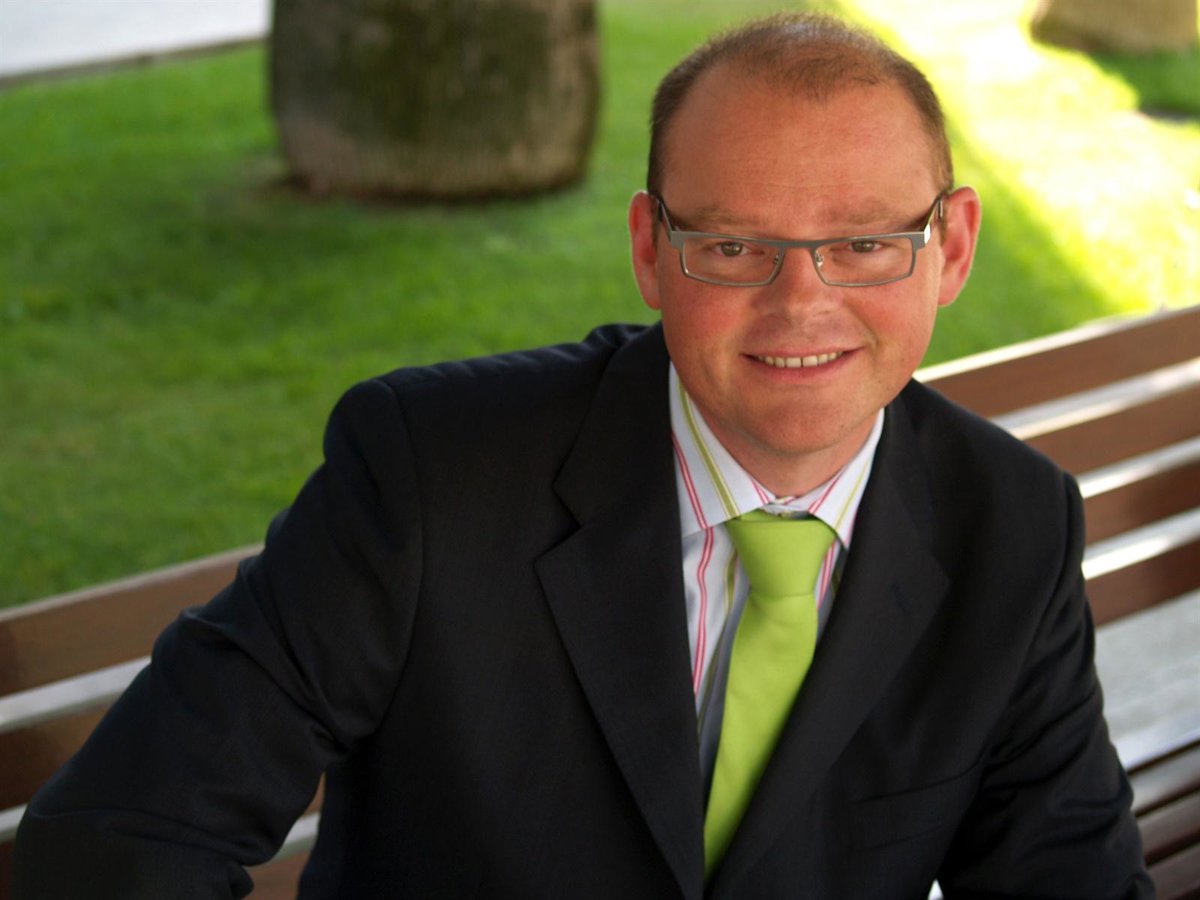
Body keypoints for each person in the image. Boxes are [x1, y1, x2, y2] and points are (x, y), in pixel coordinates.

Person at [14, 12, 1151, 899]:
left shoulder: (1014, 522)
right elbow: (122, 835)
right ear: (651, 251)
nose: (802, 303)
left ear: (951, 247)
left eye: (863, 242)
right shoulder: (431, 477)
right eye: (733, 245)